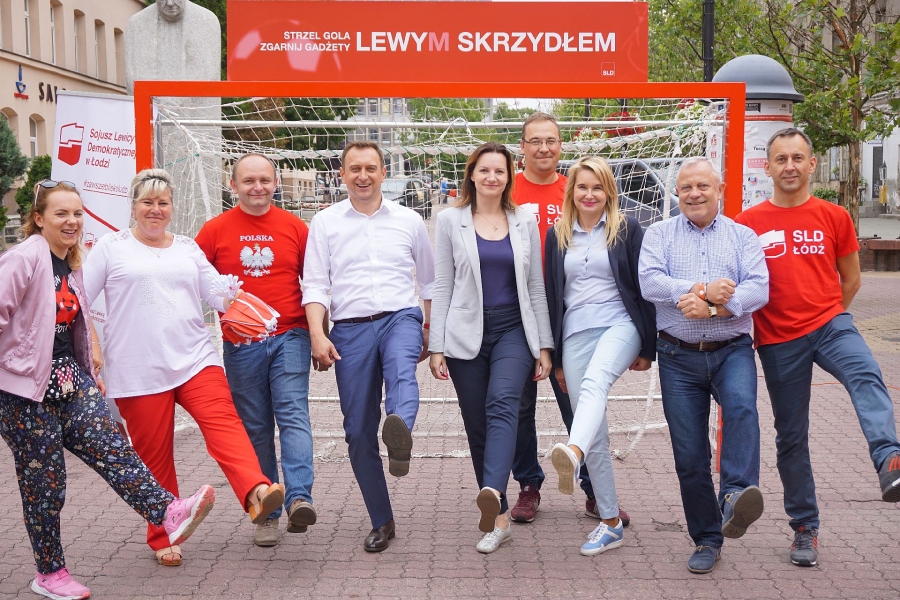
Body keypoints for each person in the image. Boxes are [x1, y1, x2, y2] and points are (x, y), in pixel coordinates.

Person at [0, 180, 215, 600]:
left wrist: (87, 365)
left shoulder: (71, 261)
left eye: (77, 213)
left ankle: (168, 512)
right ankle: (50, 573)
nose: (72, 221)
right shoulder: (25, 257)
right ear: (39, 218)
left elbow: (71, 324)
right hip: (24, 392)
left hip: (70, 380)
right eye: (61, 214)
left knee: (114, 449)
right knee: (45, 483)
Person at [83, 169, 284, 567]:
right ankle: (163, 535)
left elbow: (216, 293)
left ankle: (257, 492)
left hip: (195, 358)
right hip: (138, 368)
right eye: (147, 202)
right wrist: (91, 345)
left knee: (225, 424)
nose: (155, 210)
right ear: (133, 205)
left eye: (163, 203)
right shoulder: (110, 247)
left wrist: (236, 301)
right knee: (155, 457)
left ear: (172, 207)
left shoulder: (188, 248)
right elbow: (80, 300)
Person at [735, 128, 900, 567]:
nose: (789, 166)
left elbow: (852, 278)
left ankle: (889, 458)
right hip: (778, 340)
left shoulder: (834, 216)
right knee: (791, 437)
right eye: (781, 159)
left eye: (797, 158)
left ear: (811, 164)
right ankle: (804, 527)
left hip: (830, 325)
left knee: (866, 373)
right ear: (767, 167)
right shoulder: (747, 224)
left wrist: (829, 314)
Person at [639, 157, 769, 574]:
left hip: (732, 350)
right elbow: (649, 282)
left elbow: (759, 288)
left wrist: (714, 308)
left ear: (720, 190)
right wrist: (700, 289)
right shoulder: (658, 234)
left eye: (702, 186)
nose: (694, 194)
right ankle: (707, 539)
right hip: (676, 357)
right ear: (676, 193)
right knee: (690, 455)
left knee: (742, 409)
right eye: (686, 188)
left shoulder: (742, 236)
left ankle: (734, 496)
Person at [303, 141, 434, 552]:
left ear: (383, 172)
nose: (363, 176)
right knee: (358, 431)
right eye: (355, 169)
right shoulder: (324, 222)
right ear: (342, 174)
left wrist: (430, 327)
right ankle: (382, 519)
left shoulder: (409, 220)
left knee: (401, 371)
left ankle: (400, 434)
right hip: (350, 329)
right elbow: (315, 284)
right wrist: (317, 334)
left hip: (401, 317)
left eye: (371, 168)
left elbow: (429, 280)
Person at [428, 143, 554, 553]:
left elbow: (535, 286)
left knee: (503, 402)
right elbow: (443, 284)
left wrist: (544, 345)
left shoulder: (524, 219)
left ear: (508, 177)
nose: (492, 177)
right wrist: (436, 345)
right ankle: (498, 520)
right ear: (472, 174)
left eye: (499, 171)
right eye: (484, 170)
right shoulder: (450, 221)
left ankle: (492, 489)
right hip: (465, 332)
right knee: (477, 423)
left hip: (514, 329)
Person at [510, 112, 630, 527]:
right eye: (535, 141)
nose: (544, 148)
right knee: (520, 406)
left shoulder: (578, 187)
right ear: (522, 147)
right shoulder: (508, 191)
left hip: (566, 316)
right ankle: (529, 484)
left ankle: (595, 490)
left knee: (578, 402)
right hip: (518, 314)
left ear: (561, 145)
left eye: (551, 140)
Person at [196, 154, 318, 548]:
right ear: (233, 185)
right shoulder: (214, 231)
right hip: (241, 343)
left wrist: (320, 335)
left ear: (275, 183)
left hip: (290, 334)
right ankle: (267, 509)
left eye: (265, 179)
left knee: (293, 413)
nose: (258, 187)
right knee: (256, 427)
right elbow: (191, 281)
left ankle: (299, 498)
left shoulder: (295, 227)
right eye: (248, 180)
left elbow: (316, 284)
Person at [544, 157, 656, 556]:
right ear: (571, 191)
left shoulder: (627, 228)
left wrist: (647, 347)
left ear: (609, 191)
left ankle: (571, 454)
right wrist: (557, 358)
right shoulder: (557, 234)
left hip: (620, 325)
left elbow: (643, 287)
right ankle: (610, 523)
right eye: (582, 187)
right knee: (593, 430)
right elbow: (553, 296)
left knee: (595, 384)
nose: (589, 194)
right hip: (575, 333)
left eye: (597, 187)